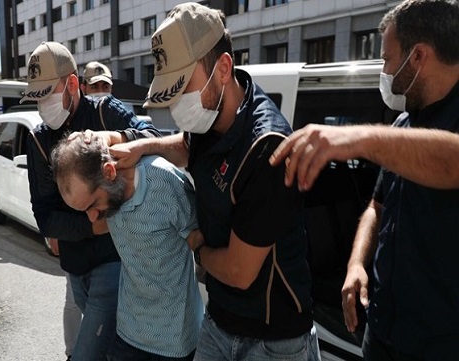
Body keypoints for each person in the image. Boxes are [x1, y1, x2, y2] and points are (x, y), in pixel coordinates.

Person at [101, 3, 320, 360]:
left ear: (222, 68)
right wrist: (141, 144)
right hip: (220, 320)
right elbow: (187, 147)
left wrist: (196, 246)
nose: (176, 105)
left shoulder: (267, 149)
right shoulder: (210, 116)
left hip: (272, 339)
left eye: (183, 86)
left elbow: (238, 271)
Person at [270, 0, 459, 359]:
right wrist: (357, 262)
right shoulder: (405, 122)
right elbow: (377, 205)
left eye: (387, 60)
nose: (384, 70)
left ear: (418, 56)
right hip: (382, 330)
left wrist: (359, 139)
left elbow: (452, 161)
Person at [21, 41, 160, 361]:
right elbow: (45, 217)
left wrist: (117, 138)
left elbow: (152, 137)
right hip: (73, 266)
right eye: (37, 98)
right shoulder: (39, 141)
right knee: (109, 346)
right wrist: (95, 226)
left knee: (87, 352)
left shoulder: (104, 111)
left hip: (115, 260)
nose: (43, 105)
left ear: (72, 83)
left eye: (48, 94)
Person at [51, 132, 204, 361]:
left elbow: (199, 241)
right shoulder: (108, 190)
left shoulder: (163, 180)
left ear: (110, 173)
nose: (93, 218)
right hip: (128, 332)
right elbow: (94, 149)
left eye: (93, 205)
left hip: (175, 338)